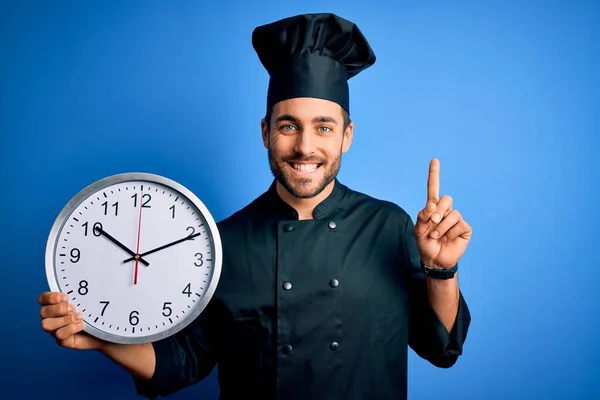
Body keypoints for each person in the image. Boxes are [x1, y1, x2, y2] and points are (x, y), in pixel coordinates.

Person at [38, 13, 472, 399]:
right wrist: (99, 337)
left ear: (347, 135)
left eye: (323, 127)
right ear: (266, 132)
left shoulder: (388, 225)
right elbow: (182, 360)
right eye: (288, 126)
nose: (305, 146)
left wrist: (441, 271)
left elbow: (441, 348)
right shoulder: (219, 244)